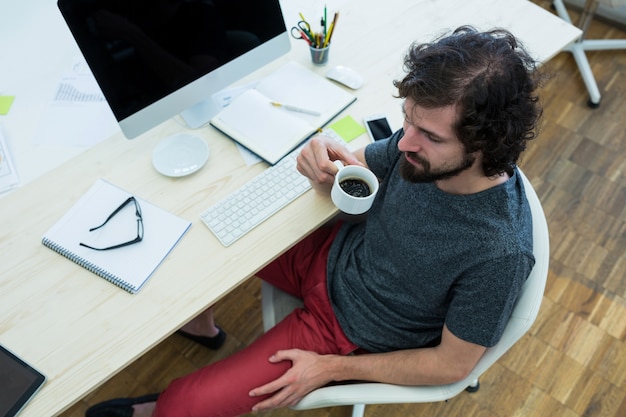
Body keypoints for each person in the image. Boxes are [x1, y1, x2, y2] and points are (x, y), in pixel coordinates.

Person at [86, 25, 544, 417]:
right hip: (330, 254)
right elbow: (359, 163)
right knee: (197, 239)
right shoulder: (421, 153)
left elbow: (451, 366)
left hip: (348, 330)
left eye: (428, 135)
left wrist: (331, 370)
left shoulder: (498, 252)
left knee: (182, 406)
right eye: (407, 121)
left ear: (484, 145)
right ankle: (200, 325)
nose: (404, 143)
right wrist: (321, 159)